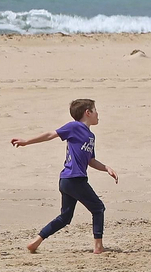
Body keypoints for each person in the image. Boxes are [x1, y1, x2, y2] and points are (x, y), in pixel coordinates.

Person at [12, 98, 118, 254]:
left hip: (68, 180)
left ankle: (35, 242)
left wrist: (106, 168)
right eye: (95, 110)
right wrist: (26, 141)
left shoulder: (91, 136)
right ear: (87, 113)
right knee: (98, 208)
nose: (98, 114)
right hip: (74, 179)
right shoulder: (74, 127)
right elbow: (51, 134)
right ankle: (98, 247)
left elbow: (91, 161)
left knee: (65, 217)